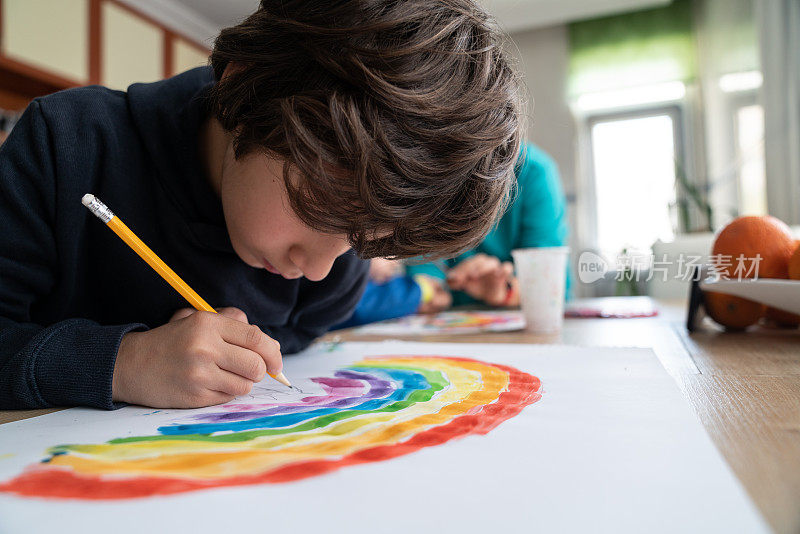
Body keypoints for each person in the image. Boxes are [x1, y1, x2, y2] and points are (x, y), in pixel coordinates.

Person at [0, 0, 523, 410]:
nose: (320, 271)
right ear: (246, 93)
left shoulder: (334, 273)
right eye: (321, 209)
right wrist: (124, 365)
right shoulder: (66, 146)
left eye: (365, 241)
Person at [335, 143, 568, 328]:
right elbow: (428, 284)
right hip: (441, 326)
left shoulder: (533, 173)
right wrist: (429, 290)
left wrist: (505, 291)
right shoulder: (428, 172)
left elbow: (551, 287)